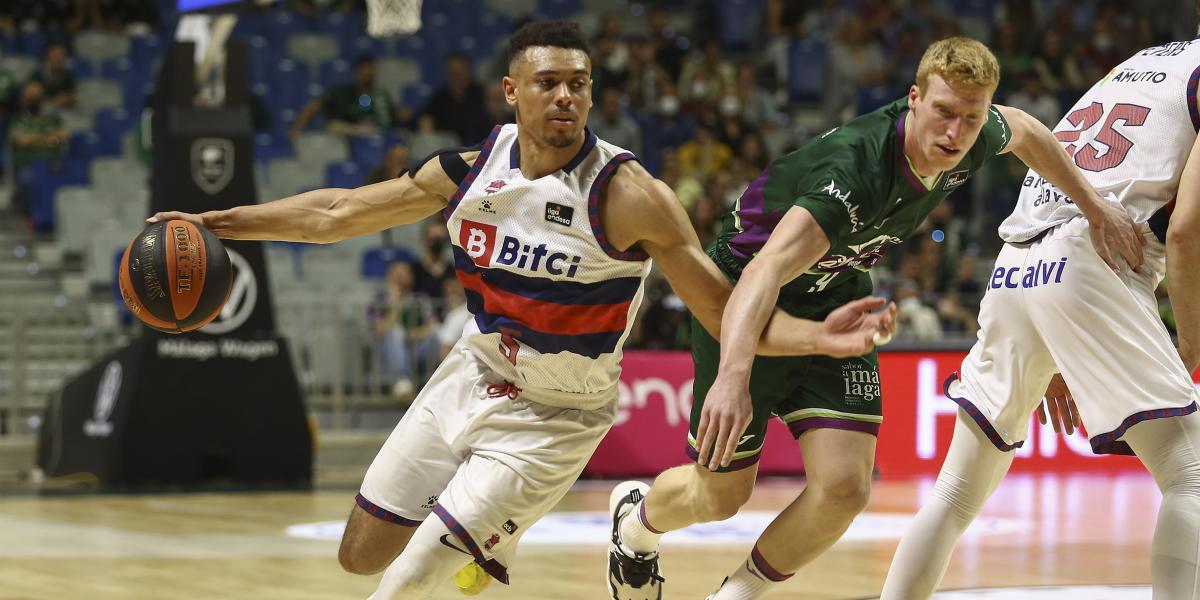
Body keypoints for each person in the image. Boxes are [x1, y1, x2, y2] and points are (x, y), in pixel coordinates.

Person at [148, 21, 895, 599]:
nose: (565, 96)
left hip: (554, 415)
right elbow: (337, 211)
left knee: (405, 579)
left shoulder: (629, 196)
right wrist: (223, 223)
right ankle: (486, 535)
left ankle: (488, 523)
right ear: (513, 92)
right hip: (470, 373)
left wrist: (815, 339)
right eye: (548, 84)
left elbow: (721, 311)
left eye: (578, 83)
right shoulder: (472, 169)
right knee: (359, 554)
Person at [606, 36, 1145, 600]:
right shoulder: (856, 173)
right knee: (719, 497)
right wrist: (733, 375)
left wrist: (1095, 205)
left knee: (844, 489)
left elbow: (1031, 131)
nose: (955, 134)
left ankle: (735, 594)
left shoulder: (973, 136)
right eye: (942, 113)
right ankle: (637, 524)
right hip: (748, 301)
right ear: (914, 99)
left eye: (970, 118)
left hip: (838, 301)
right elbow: (762, 275)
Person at [881, 26, 1200, 600]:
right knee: (1192, 476)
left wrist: (1059, 343)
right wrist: (1192, 348)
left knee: (955, 493)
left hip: (1017, 265)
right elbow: (1185, 230)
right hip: (1091, 257)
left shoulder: (1142, 61)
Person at [289, 55, 396, 140]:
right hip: (343, 138)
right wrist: (296, 131)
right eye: (364, 69)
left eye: (371, 69)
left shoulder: (382, 95)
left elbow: (393, 117)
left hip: (376, 138)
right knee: (334, 127)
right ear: (357, 72)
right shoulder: (340, 92)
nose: (367, 73)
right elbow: (312, 107)